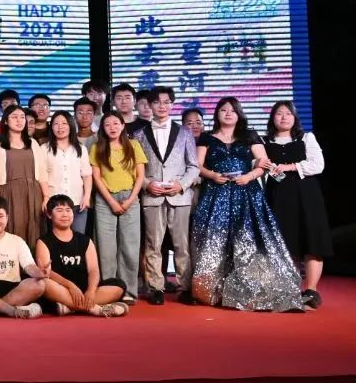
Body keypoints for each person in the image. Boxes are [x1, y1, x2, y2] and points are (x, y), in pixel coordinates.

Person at [192, 97, 302, 311]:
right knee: (215, 242)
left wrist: (249, 176)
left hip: (246, 194)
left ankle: (247, 291)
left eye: (232, 110)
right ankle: (213, 291)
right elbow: (198, 165)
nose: (228, 113)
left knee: (247, 242)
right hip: (216, 193)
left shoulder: (250, 135)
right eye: (223, 110)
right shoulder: (207, 137)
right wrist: (213, 175)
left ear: (239, 114)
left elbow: (263, 165)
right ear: (217, 114)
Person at [259, 100, 330, 309]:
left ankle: (311, 290)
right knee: (285, 244)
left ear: (295, 117)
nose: (284, 117)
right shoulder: (264, 142)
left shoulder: (306, 138)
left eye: (288, 113)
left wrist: (289, 167)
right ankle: (289, 290)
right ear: (272, 118)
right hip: (277, 196)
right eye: (279, 113)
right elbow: (257, 168)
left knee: (311, 242)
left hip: (307, 196)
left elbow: (318, 165)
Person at [133, 87, 199, 305]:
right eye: (157, 102)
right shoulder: (138, 135)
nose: (162, 106)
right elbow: (134, 168)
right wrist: (147, 184)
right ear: (149, 105)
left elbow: (193, 166)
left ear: (172, 104)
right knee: (153, 244)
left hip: (180, 196)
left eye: (166, 102)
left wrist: (181, 185)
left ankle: (185, 287)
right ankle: (155, 287)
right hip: (152, 196)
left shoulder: (185, 133)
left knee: (182, 245)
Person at [36, 195, 129, 317]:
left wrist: (91, 291)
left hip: (84, 289)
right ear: (49, 215)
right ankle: (94, 308)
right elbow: (47, 273)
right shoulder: (43, 241)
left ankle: (70, 307)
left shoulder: (85, 240)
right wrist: (70, 286)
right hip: (61, 288)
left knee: (119, 285)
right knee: (42, 283)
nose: (65, 214)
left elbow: (93, 270)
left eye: (68, 210)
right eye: (59, 210)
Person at [91, 111, 147, 305]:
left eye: (116, 123)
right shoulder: (97, 147)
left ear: (123, 125)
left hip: (130, 198)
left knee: (130, 247)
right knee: (106, 249)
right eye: (107, 124)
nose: (112, 127)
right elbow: (96, 178)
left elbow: (140, 176)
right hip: (105, 199)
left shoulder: (134, 145)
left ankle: (129, 290)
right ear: (103, 128)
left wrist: (131, 200)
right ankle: (109, 290)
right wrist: (111, 201)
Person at [0, 105, 48, 251]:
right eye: (14, 117)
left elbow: (42, 172)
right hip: (7, 192)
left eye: (22, 117)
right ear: (6, 121)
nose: (19, 120)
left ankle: (33, 264)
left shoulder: (33, 143)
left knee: (34, 230)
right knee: (11, 230)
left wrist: (46, 196)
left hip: (32, 193)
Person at [43, 111, 92, 235]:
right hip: (54, 203)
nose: (60, 127)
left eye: (64, 123)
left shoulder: (81, 149)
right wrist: (46, 198)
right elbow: (42, 176)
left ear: (71, 125)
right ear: (51, 127)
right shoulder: (44, 149)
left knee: (78, 237)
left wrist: (87, 196)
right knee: (56, 238)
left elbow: (86, 175)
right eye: (56, 124)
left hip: (78, 202)